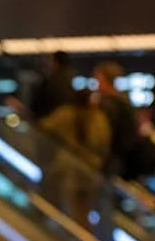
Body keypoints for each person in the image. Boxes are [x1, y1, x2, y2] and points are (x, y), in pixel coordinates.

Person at [40, 89, 111, 228]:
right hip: (90, 168)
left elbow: (46, 126)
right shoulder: (99, 119)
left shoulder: (65, 113)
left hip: (67, 164)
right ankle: (78, 232)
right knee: (82, 206)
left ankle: (59, 227)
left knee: (63, 199)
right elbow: (104, 144)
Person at [94, 62, 138, 177]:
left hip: (109, 162)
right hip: (120, 160)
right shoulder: (124, 103)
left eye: (98, 80)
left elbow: (105, 135)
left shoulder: (109, 105)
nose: (96, 85)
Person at [26, 51, 76, 123]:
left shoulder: (50, 83)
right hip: (69, 123)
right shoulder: (72, 82)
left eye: (51, 61)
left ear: (56, 63)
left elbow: (37, 109)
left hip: (51, 123)